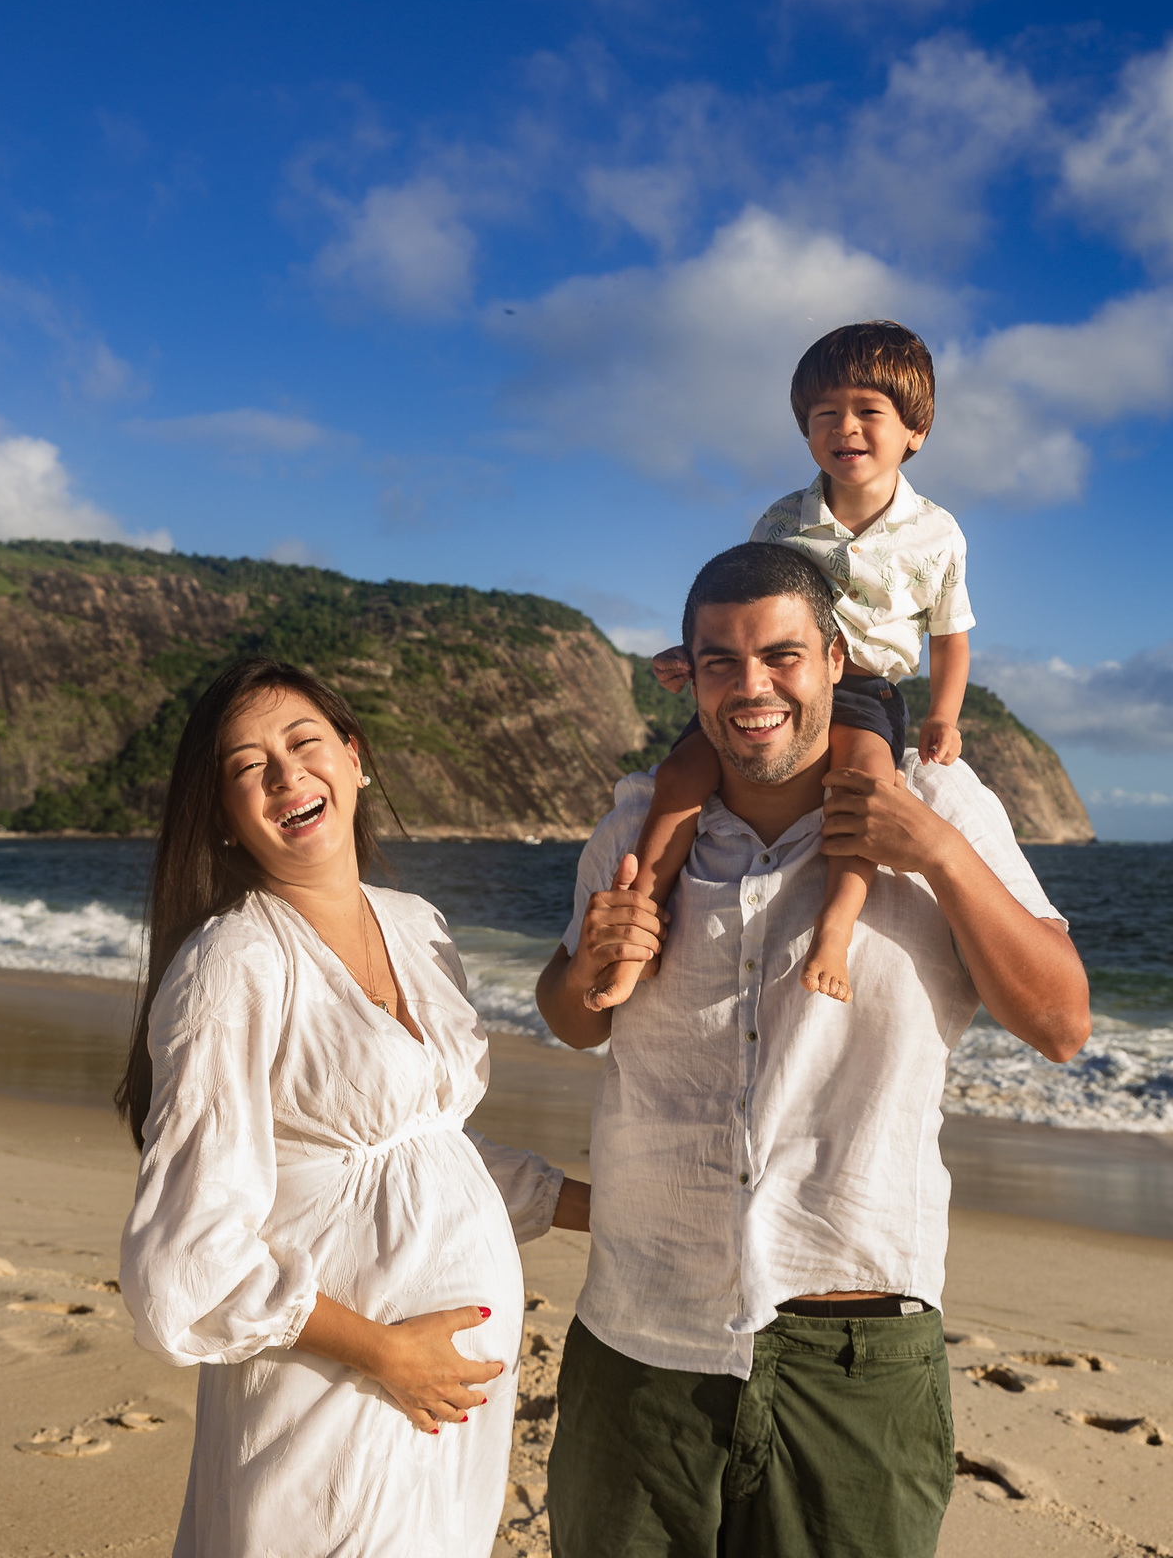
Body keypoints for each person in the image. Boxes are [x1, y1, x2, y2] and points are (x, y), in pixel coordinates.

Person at [536, 543, 1090, 1558]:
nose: (751, 688)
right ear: (689, 673)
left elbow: (1061, 1024)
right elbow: (574, 1016)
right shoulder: (635, 823)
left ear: (838, 659)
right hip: (640, 1345)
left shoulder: (946, 808)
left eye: (782, 656)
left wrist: (938, 856)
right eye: (721, 663)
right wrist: (587, 970)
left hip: (858, 1355)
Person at [118, 656, 589, 1558]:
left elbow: (424, 1148)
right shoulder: (233, 966)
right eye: (248, 767)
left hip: (441, 1411)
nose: (287, 774)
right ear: (222, 815)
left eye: (304, 743)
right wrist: (382, 1351)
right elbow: (179, 1263)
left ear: (354, 758)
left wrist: (594, 1208)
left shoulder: (415, 924)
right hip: (332, 1396)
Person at [618, 322, 973, 1009]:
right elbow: (739, 609)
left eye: (870, 411)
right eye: (824, 416)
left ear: (915, 431)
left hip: (866, 687)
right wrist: (694, 659)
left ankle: (834, 931)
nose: (847, 427)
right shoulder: (782, 521)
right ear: (806, 430)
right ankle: (638, 923)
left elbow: (951, 635)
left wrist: (943, 716)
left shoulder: (938, 534)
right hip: (774, 679)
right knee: (682, 772)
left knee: (865, 787)